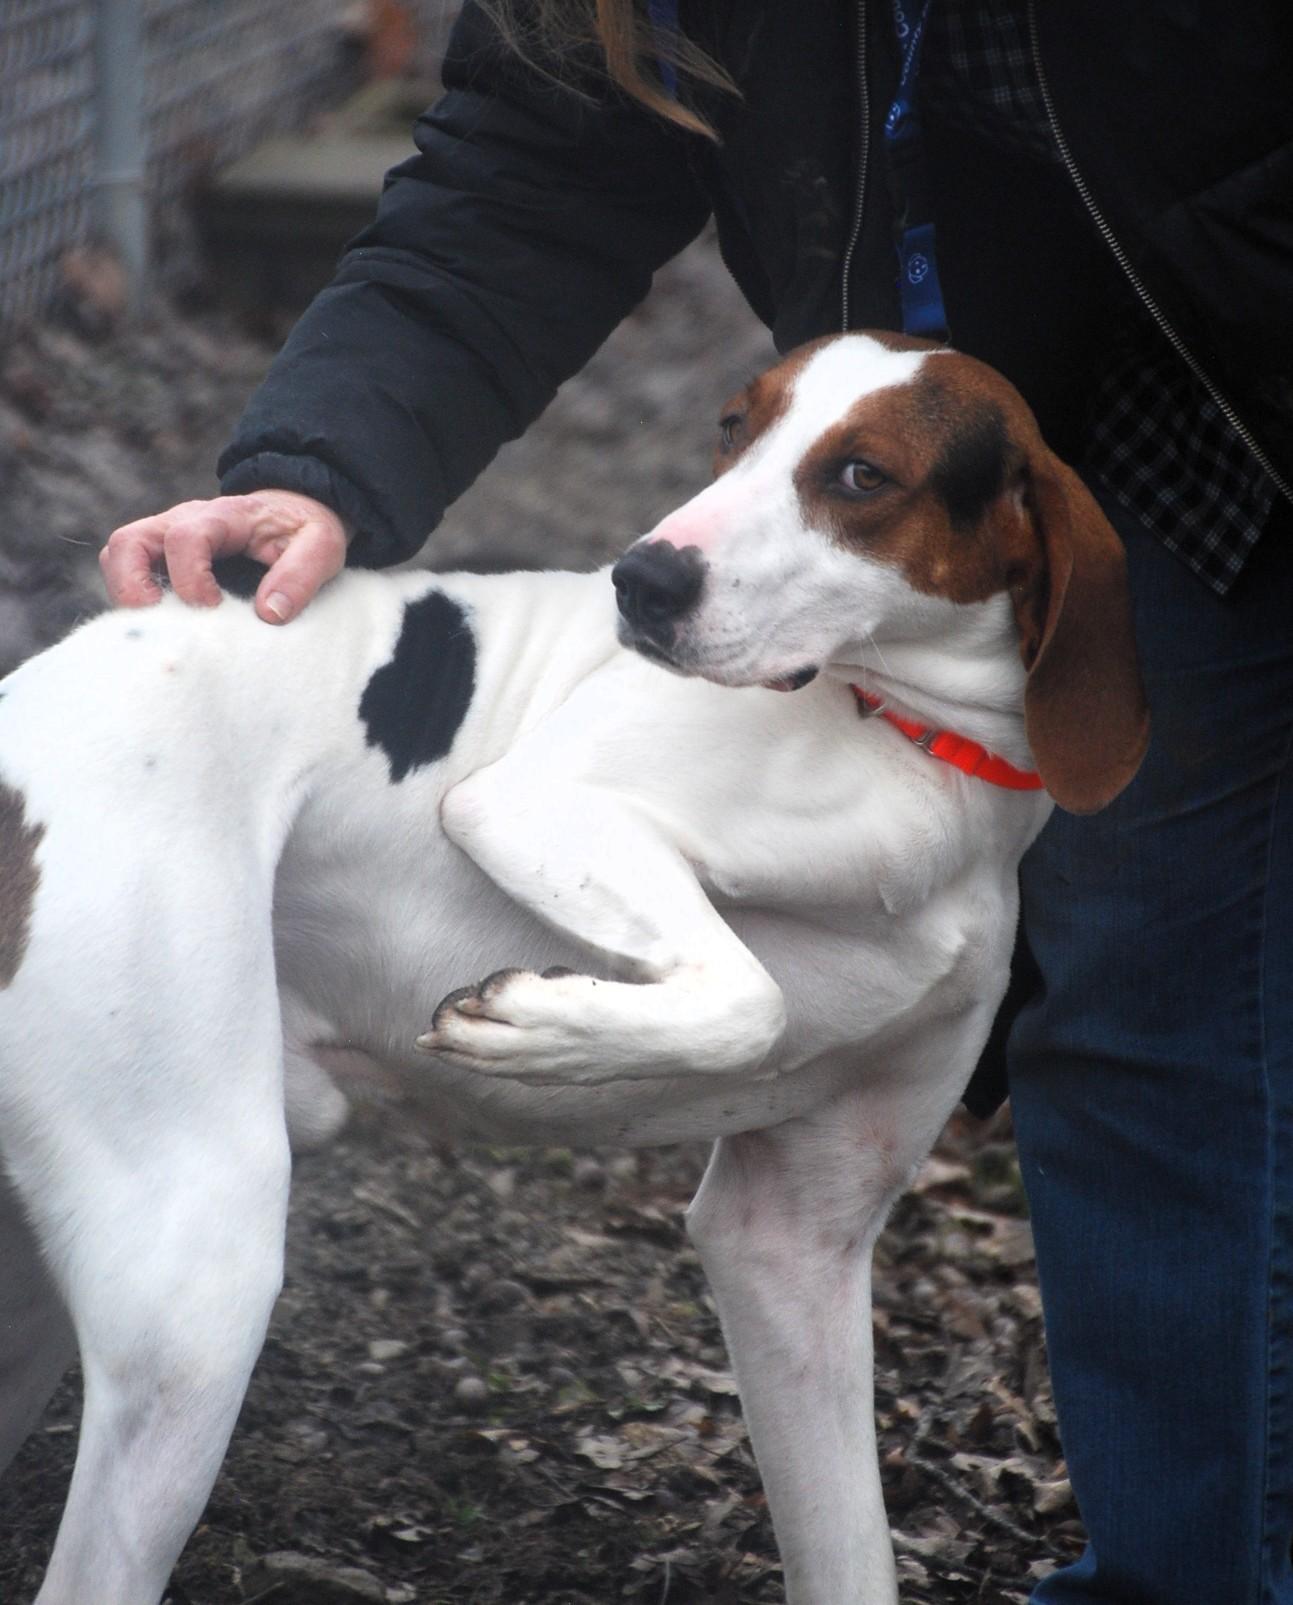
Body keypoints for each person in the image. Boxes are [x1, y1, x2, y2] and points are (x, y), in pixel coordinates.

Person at [100, 3, 1293, 1600]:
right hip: (938, 417)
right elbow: (529, 160)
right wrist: (317, 463)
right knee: (1136, 1022)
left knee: (1162, 997)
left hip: (1222, 391)